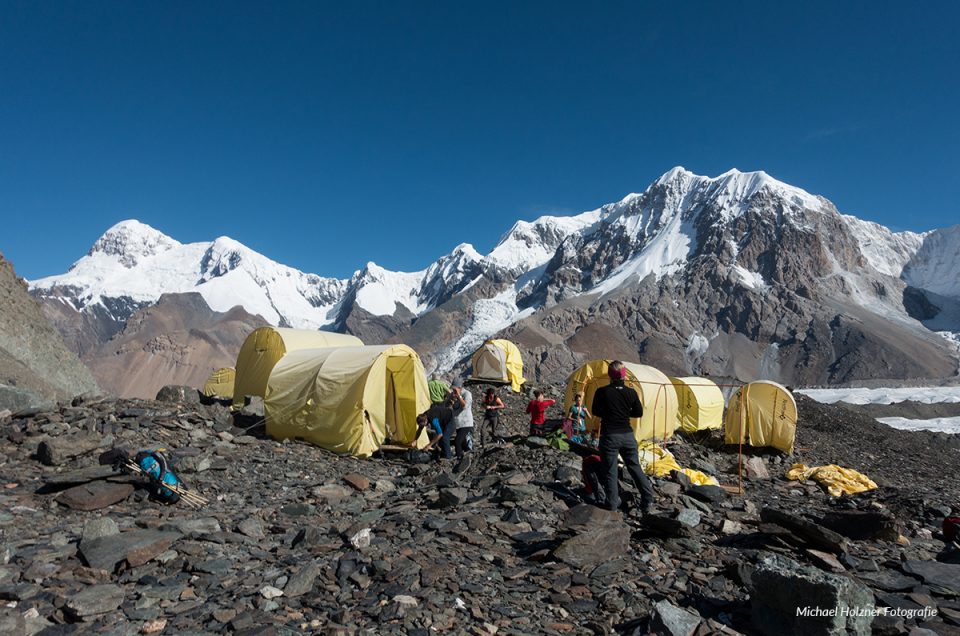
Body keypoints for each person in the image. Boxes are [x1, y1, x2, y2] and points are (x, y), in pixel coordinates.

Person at [591, 360, 654, 514]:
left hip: (610, 436)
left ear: (610, 375)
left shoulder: (602, 391)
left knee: (610, 471)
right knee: (634, 467)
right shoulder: (631, 392)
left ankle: (612, 505)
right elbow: (638, 412)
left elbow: (595, 411)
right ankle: (648, 499)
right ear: (624, 376)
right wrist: (624, 412)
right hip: (627, 435)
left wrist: (610, 412)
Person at [450, 380, 474, 463]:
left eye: (455, 389)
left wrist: (459, 396)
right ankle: (467, 457)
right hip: (458, 423)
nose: (453, 391)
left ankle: (459, 458)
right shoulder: (454, 395)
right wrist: (452, 399)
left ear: (459, 388)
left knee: (458, 441)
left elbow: (465, 406)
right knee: (463, 443)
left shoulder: (467, 394)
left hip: (466, 423)